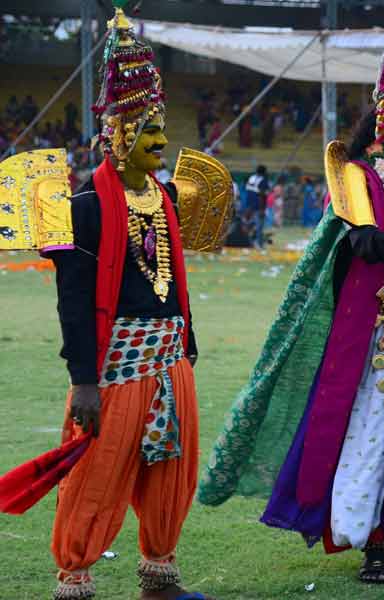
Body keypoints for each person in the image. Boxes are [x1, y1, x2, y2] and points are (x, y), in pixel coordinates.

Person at [197, 1, 384, 586]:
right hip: (381, 326)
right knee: (379, 429)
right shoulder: (359, 173)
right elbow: (365, 246)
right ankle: (374, 541)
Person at [0, 7, 224, 599]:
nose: (160, 140)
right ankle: (75, 580)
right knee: (97, 475)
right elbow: (73, 301)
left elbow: (174, 282)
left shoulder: (167, 199)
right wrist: (84, 382)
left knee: (170, 470)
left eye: (160, 128)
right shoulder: (81, 208)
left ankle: (159, 578)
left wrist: (189, 348)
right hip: (115, 365)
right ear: (116, 134)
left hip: (172, 360)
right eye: (147, 129)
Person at [244, 165, 269, 247]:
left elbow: (249, 192)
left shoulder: (251, 178)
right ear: (264, 172)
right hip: (258, 207)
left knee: (248, 226)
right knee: (259, 227)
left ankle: (248, 243)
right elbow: (262, 195)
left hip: (249, 206)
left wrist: (247, 207)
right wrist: (262, 209)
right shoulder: (263, 180)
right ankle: (259, 244)